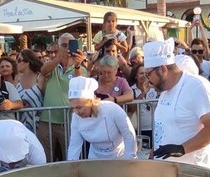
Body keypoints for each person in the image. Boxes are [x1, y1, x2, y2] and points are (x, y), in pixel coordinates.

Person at [144, 39, 210, 170]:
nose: (148, 81)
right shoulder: (166, 90)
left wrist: (182, 149)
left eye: (148, 74)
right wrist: (154, 151)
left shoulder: (197, 86)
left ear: (163, 69)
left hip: (193, 169)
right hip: (167, 169)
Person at [38, 33, 87, 162]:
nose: (67, 49)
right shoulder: (52, 66)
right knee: (45, 160)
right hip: (47, 120)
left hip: (69, 122)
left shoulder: (81, 68)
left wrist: (77, 65)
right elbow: (43, 71)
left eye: (70, 45)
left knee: (70, 159)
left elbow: (80, 87)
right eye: (64, 45)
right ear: (58, 47)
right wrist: (57, 59)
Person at [67, 76, 137, 160]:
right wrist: (71, 166)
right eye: (72, 108)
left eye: (79, 107)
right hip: (95, 158)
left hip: (119, 157)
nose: (76, 112)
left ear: (90, 102)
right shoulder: (75, 117)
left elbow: (128, 134)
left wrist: (130, 159)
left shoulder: (112, 109)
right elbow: (74, 145)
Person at [15, 49, 45, 132]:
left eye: (19, 60)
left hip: (38, 124)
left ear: (27, 63)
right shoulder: (17, 78)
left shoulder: (40, 78)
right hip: (20, 124)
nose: (16, 62)